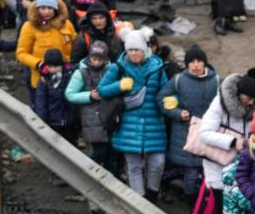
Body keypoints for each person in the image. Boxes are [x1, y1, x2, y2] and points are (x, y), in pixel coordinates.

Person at [96, 30, 168, 201]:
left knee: (157, 164)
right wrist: (119, 85)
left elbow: (167, 91)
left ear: (145, 50)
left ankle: (152, 194)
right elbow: (101, 90)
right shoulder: (118, 67)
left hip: (154, 123)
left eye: (137, 50)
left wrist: (172, 100)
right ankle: (140, 201)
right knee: (134, 166)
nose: (134, 54)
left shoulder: (157, 67)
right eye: (130, 50)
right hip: (128, 124)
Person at [199, 68, 255, 214]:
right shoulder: (219, 104)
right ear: (239, 93)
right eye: (248, 98)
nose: (250, 103)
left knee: (239, 213)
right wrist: (233, 141)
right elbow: (204, 133)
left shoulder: (253, 107)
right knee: (222, 212)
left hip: (240, 169)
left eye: (253, 100)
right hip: (218, 167)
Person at [158, 45, 219, 201]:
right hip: (184, 134)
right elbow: (161, 99)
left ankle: (199, 203)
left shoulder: (216, 81)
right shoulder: (179, 80)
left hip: (208, 133)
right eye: (192, 62)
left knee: (204, 170)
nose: (196, 65)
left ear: (204, 63)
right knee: (191, 171)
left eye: (199, 61)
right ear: (187, 64)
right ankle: (192, 204)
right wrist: (177, 113)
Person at [66, 40, 117, 172]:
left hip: (109, 116)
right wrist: (89, 96)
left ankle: (111, 180)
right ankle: (87, 175)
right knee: (99, 151)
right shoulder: (81, 73)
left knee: (111, 153)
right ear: (89, 57)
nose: (97, 62)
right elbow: (70, 94)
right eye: (94, 59)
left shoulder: (111, 70)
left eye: (100, 60)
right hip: (92, 117)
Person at [17, 0, 75, 90]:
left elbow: (75, 46)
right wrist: (39, 64)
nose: (47, 12)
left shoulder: (66, 24)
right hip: (42, 80)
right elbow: (21, 53)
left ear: (55, 9)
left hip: (66, 78)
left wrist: (70, 63)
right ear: (37, 9)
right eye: (43, 8)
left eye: (50, 8)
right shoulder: (29, 26)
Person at [32, 48, 78, 144]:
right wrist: (42, 122)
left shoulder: (70, 76)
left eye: (56, 66)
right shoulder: (44, 81)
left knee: (71, 146)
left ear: (61, 65)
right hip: (53, 122)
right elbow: (41, 103)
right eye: (50, 66)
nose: (53, 69)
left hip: (70, 121)